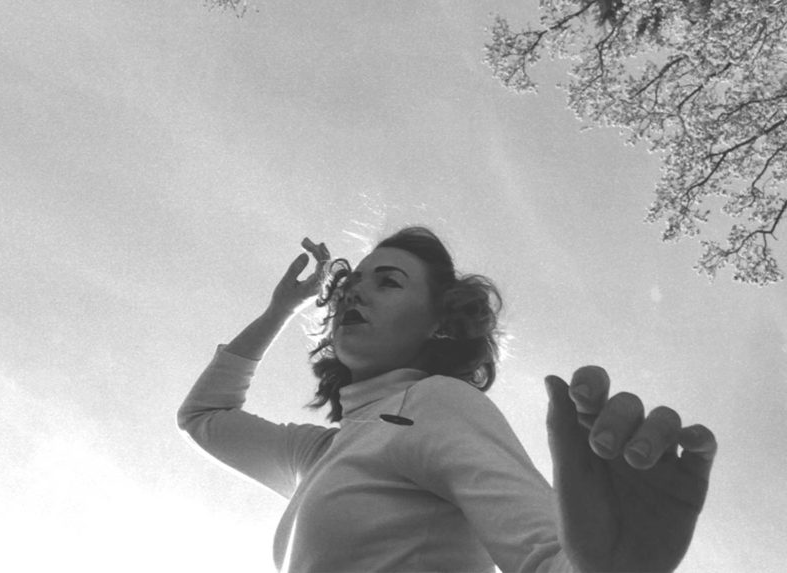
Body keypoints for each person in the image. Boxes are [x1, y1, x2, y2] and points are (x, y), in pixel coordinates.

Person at [177, 226, 717, 573]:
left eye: (388, 282)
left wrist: (611, 567)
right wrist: (282, 309)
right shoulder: (319, 454)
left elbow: (548, 559)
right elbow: (204, 416)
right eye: (349, 285)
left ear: (440, 323)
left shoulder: (432, 404)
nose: (354, 293)